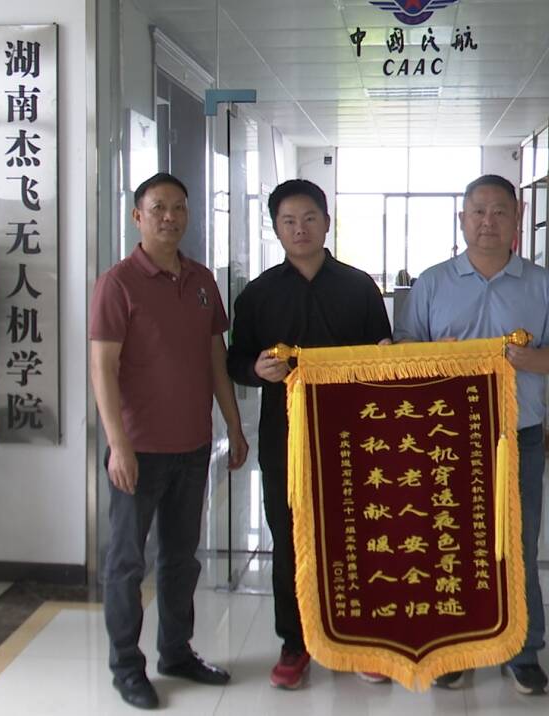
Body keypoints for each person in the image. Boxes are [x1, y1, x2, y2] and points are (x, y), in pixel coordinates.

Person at [393, 174, 549, 695]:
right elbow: (402, 351)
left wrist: (528, 359)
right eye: (478, 211)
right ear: (462, 220)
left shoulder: (540, 284)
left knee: (516, 543)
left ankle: (523, 650)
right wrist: (438, 356)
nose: (488, 221)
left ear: (517, 220)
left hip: (515, 437)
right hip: (445, 438)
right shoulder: (432, 283)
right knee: (450, 542)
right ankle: (454, 648)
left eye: (500, 211)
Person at [90, 172, 249, 710]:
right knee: (126, 563)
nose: (170, 217)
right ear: (138, 216)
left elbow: (214, 357)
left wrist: (233, 423)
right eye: (158, 207)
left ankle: (176, 652)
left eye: (179, 207)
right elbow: (102, 368)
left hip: (192, 445)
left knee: (182, 559)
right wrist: (118, 445)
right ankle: (125, 666)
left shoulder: (202, 280)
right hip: (137, 450)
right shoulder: (117, 283)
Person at [227, 179, 393, 690]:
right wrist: (256, 369)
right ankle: (295, 642)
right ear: (276, 229)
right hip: (286, 440)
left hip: (353, 436)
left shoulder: (359, 287)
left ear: (327, 222)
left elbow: (384, 352)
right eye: (288, 221)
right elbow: (235, 361)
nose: (299, 229)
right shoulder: (258, 294)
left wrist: (383, 358)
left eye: (309, 218)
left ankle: (360, 639)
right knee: (289, 542)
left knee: (357, 536)